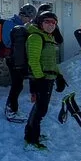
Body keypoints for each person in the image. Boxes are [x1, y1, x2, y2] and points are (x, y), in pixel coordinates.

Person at [23, 10, 66, 148]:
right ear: (40, 22)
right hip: (41, 78)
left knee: (40, 108)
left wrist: (59, 75)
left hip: (48, 77)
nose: (51, 25)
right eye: (47, 21)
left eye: (54, 22)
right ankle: (32, 139)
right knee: (40, 110)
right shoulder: (36, 37)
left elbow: (51, 61)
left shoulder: (48, 37)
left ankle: (32, 134)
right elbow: (33, 61)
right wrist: (40, 79)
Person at [4, 3, 37, 119]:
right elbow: (7, 42)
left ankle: (11, 107)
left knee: (18, 85)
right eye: (29, 18)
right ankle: (11, 109)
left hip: (20, 59)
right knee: (17, 85)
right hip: (12, 59)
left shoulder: (23, 26)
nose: (30, 21)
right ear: (24, 15)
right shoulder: (10, 24)